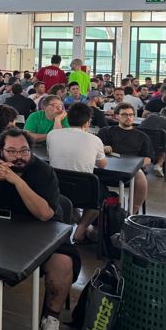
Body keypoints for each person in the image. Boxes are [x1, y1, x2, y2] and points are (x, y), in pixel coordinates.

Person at [0, 128, 78, 330]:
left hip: (43, 229)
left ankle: (50, 318)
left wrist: (17, 181)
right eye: (12, 151)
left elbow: (45, 214)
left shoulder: (43, 171)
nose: (18, 156)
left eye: (24, 151)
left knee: (63, 262)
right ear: (1, 151)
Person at [46, 103, 107, 243]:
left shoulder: (52, 134)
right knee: (102, 194)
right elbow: (102, 165)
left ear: (68, 119)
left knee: (73, 191)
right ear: (87, 122)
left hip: (56, 188)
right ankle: (81, 230)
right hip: (84, 193)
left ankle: (79, 224)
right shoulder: (94, 139)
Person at [97, 103, 151, 213]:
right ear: (117, 116)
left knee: (139, 173)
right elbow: (95, 150)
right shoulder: (105, 131)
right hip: (106, 169)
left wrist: (135, 166)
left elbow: (148, 159)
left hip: (130, 173)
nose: (129, 117)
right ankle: (98, 210)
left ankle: (130, 214)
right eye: (125, 115)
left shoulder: (142, 136)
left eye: (131, 115)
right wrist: (102, 148)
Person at [140, 105, 166, 176]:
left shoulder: (152, 115)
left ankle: (142, 166)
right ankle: (159, 165)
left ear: (162, 111)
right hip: (157, 147)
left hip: (140, 142)